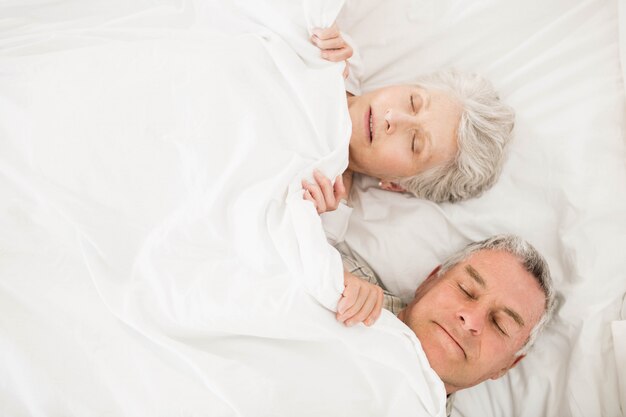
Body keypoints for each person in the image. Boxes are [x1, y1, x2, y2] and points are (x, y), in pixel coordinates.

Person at [339, 234, 556, 415]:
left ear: (506, 366)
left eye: (500, 324)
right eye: (465, 290)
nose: (471, 319)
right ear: (430, 281)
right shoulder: (336, 274)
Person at [306, 26, 516, 204]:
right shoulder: (339, 53)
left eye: (415, 143)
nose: (393, 118)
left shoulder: (324, 215)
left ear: (395, 185)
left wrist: (306, 221)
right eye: (413, 102)